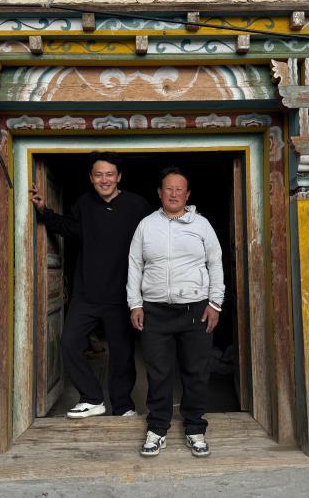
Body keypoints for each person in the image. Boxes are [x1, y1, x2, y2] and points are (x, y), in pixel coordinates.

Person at [30, 152, 152, 418]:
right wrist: (43, 211)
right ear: (91, 178)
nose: (104, 180)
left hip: (122, 294)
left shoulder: (137, 206)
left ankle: (123, 406)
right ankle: (92, 398)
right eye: (98, 175)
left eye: (109, 174)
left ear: (119, 177)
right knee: (69, 343)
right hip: (86, 294)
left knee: (122, 354)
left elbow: (154, 239)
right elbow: (67, 227)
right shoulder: (84, 204)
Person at [127, 166, 224, 457]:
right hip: (155, 311)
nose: (173, 194)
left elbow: (215, 263)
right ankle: (157, 429)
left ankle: (195, 428)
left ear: (187, 194)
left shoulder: (202, 225)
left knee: (196, 371)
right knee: (159, 372)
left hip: (196, 310)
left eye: (179, 189)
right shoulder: (146, 225)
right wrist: (135, 304)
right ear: (159, 193)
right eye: (168, 188)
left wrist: (215, 303)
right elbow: (135, 265)